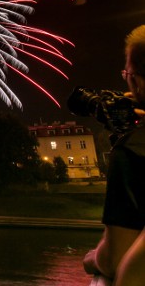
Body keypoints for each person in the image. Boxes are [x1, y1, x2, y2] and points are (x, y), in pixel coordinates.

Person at [83, 24, 145, 285]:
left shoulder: (133, 151)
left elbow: (118, 260)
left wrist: (92, 258)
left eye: (127, 74)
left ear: (137, 80)